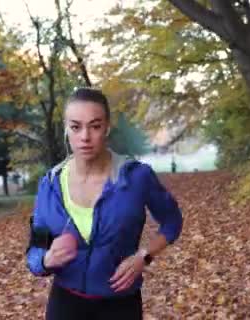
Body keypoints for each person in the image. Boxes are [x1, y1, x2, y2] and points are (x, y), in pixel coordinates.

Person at [26, 87, 183, 320]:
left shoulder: (136, 177)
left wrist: (144, 256)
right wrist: (47, 260)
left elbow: (172, 221)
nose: (85, 137)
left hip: (120, 304)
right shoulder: (49, 185)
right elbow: (35, 250)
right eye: (76, 127)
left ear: (107, 128)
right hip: (65, 304)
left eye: (95, 126)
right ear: (66, 130)